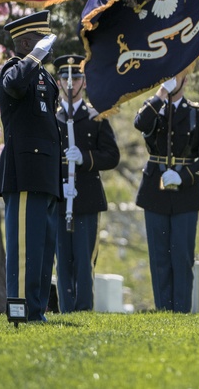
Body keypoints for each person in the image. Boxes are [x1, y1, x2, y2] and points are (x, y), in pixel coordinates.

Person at [0, 10, 62, 322]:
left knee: (43, 249)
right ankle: (19, 311)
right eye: (39, 39)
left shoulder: (45, 76)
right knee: (24, 248)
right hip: (23, 172)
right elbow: (14, 85)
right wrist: (35, 56)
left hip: (45, 174)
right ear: (24, 43)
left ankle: (36, 310)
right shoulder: (14, 69)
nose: (46, 45)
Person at [134, 71, 199, 312]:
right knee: (159, 256)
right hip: (154, 190)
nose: (171, 80)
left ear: (186, 80)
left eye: (176, 76)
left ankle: (181, 310)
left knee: (181, 256)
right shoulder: (153, 107)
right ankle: (163, 309)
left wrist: (183, 176)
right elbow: (140, 123)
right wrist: (161, 93)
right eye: (166, 76)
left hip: (186, 192)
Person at [52, 55, 121, 313]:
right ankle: (66, 311)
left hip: (87, 198)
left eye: (77, 77)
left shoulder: (96, 117)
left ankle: (83, 309)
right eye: (66, 77)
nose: (71, 83)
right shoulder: (52, 117)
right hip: (59, 198)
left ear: (84, 82)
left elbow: (112, 156)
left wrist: (85, 158)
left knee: (84, 259)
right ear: (58, 81)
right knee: (62, 261)